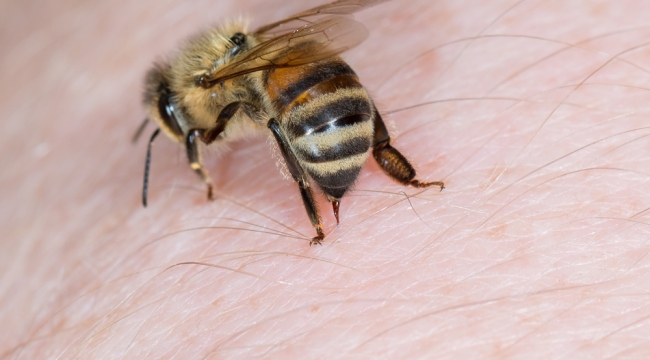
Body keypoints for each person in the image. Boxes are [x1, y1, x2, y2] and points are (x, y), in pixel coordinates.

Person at [2, 0, 649, 358]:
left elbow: (242, 120)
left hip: (314, 111)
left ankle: (319, 212)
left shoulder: (211, 88)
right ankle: (396, 171)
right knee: (306, 100)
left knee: (289, 115)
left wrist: (201, 166)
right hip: (323, 83)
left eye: (178, 125)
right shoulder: (248, 53)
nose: (184, 132)